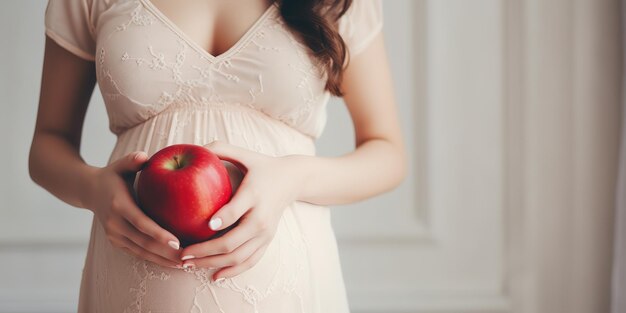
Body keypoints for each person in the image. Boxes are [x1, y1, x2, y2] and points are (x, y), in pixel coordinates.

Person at [29, 0, 407, 311]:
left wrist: (292, 177)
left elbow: (387, 153)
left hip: (292, 287)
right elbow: (48, 145)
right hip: (133, 280)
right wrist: (94, 188)